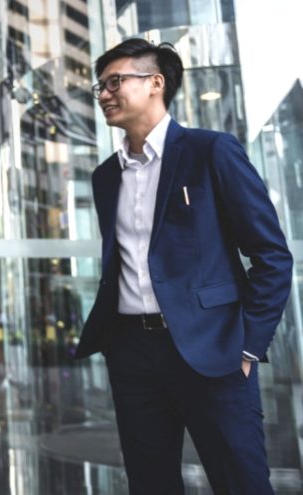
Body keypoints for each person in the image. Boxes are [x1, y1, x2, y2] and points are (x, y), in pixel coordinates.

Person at [74, 39, 293, 494]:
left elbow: (272, 255)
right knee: (150, 484)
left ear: (156, 83)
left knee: (242, 482)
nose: (104, 94)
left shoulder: (211, 152)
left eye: (116, 82)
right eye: (100, 86)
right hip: (132, 353)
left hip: (213, 350)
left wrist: (248, 348)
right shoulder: (106, 177)